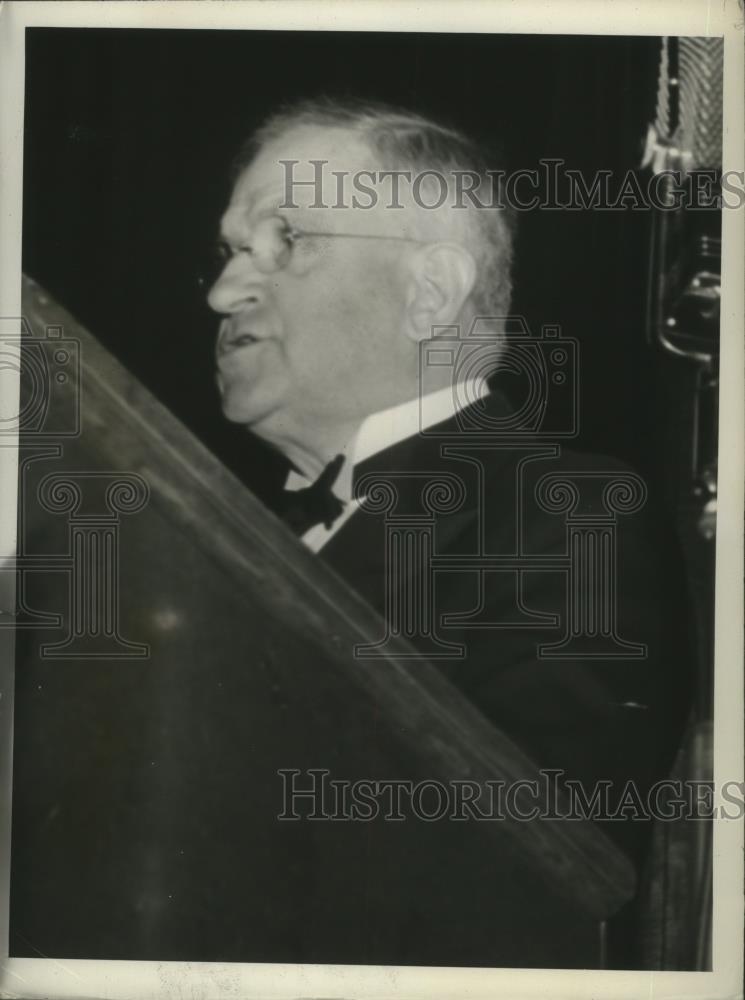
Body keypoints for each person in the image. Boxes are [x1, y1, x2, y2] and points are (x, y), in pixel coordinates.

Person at [205, 97, 692, 961]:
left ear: (429, 291)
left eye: (286, 242)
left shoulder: (566, 517)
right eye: (232, 251)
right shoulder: (220, 537)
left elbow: (528, 876)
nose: (223, 292)